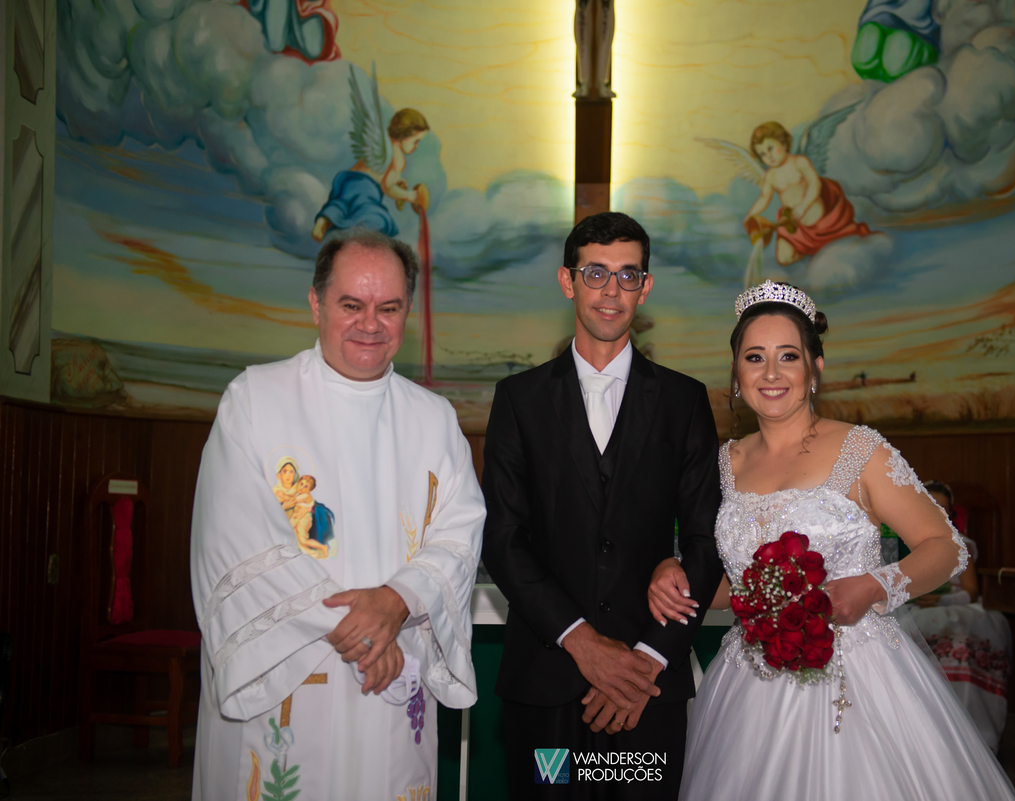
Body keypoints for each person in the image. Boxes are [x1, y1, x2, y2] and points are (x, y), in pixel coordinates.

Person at [648, 280, 1015, 799]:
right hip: (748, 681)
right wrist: (672, 579)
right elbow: (731, 588)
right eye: (754, 358)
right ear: (735, 372)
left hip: (856, 675)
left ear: (815, 368)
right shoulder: (722, 466)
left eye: (788, 356)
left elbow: (946, 547)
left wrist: (872, 586)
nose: (771, 373)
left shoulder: (860, 450)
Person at [190, 227, 485, 800]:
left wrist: (397, 601)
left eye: (388, 308)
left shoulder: (434, 420)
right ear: (316, 303)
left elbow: (460, 533)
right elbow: (234, 545)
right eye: (351, 305)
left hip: (393, 677)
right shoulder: (254, 401)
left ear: (407, 312)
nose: (370, 324)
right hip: (291, 673)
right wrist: (367, 633)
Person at [481, 212, 725, 799]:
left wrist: (647, 660)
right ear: (567, 281)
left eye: (627, 274)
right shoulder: (518, 400)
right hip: (547, 685)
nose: (611, 291)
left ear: (646, 286)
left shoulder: (684, 400)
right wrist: (581, 641)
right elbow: (504, 539)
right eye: (595, 273)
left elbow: (706, 538)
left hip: (646, 691)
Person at [910, 479, 1013, 752]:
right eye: (932, 505)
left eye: (944, 508)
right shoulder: (902, 542)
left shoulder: (961, 544)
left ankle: (971, 731)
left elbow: (971, 591)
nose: (939, 512)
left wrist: (943, 600)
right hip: (912, 606)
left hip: (952, 605)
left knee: (961, 633)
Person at [742, 122, 870, 265]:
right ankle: (811, 252)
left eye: (770, 148)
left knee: (831, 241)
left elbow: (815, 184)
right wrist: (750, 215)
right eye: (763, 154)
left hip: (815, 217)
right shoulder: (770, 177)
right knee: (783, 259)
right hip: (792, 223)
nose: (769, 156)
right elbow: (764, 198)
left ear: (783, 144)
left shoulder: (800, 162)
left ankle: (822, 248)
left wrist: (803, 206)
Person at [312, 109, 430, 241]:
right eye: (416, 141)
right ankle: (354, 239)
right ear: (404, 135)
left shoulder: (381, 143)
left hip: (346, 180)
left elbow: (381, 173)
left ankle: (324, 219)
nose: (416, 146)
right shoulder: (398, 158)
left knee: (342, 205)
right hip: (366, 187)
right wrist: (407, 195)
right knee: (377, 218)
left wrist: (397, 180)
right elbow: (387, 187)